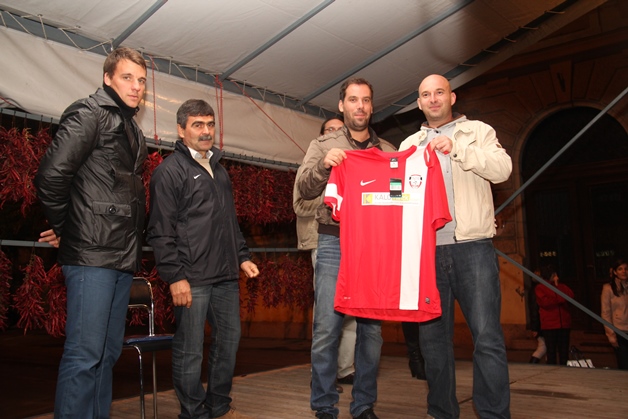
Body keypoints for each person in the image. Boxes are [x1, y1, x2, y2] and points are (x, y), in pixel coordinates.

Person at [35, 47, 148, 418]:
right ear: (107, 78)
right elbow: (51, 176)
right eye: (127, 77)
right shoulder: (89, 112)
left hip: (120, 255)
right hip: (92, 255)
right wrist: (69, 230)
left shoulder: (131, 126)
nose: (136, 86)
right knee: (84, 354)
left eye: (141, 80)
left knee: (107, 353)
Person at [399, 74, 512, 419]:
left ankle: (493, 414)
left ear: (452, 97)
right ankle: (441, 411)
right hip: (426, 253)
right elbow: (398, 198)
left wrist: (458, 149)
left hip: (473, 247)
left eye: (439, 92)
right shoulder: (408, 144)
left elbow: (503, 169)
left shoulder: (478, 131)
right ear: (419, 103)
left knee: (487, 337)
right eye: (426, 94)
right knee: (433, 342)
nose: (433, 99)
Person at [147, 99, 259, 419]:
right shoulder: (169, 172)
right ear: (181, 130)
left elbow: (229, 221)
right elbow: (160, 231)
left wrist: (242, 257)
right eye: (198, 125)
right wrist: (175, 277)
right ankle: (193, 412)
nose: (206, 131)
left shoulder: (219, 170)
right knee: (190, 349)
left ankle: (218, 406)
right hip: (191, 277)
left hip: (225, 274)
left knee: (229, 341)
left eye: (210, 124)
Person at [297, 78, 396, 419]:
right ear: (342, 106)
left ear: (372, 106)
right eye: (353, 100)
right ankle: (324, 406)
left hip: (374, 246)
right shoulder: (323, 144)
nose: (360, 106)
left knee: (372, 331)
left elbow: (400, 198)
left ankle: (363, 405)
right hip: (333, 241)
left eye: (365, 100)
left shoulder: (387, 151)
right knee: (327, 327)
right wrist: (324, 165)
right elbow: (303, 189)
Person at [293, 116, 357, 393]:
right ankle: (321, 375)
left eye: (339, 131)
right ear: (322, 137)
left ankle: (345, 369)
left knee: (352, 311)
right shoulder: (313, 165)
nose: (335, 135)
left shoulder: (353, 165)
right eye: (329, 131)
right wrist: (333, 200)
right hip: (322, 242)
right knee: (327, 312)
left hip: (352, 242)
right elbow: (299, 204)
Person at [535, 265, 574, 365]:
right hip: (550, 325)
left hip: (564, 324)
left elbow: (570, 296)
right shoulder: (541, 287)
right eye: (553, 274)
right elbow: (546, 303)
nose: (556, 276)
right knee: (551, 352)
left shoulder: (561, 286)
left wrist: (557, 287)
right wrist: (560, 299)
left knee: (564, 352)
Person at [601, 258, 628, 369]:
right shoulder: (608, 289)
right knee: (624, 364)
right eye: (620, 269)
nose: (624, 271)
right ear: (615, 272)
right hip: (619, 330)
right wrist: (611, 335)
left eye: (626, 269)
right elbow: (605, 313)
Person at [528, 269, 547, 363]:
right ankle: (531, 365)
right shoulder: (537, 290)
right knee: (543, 347)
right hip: (541, 323)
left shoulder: (537, 289)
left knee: (545, 347)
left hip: (541, 323)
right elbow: (534, 309)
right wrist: (535, 327)